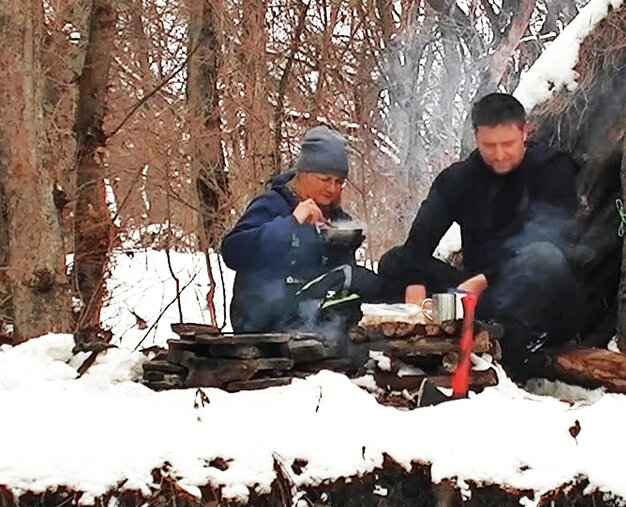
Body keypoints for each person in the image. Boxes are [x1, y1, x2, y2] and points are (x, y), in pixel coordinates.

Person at [380, 93, 583, 376]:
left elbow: (558, 239)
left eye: (508, 144)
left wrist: (487, 277)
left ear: (525, 132)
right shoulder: (459, 179)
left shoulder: (552, 169)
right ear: (476, 137)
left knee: (545, 258)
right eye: (490, 145)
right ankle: (427, 343)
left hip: (536, 295)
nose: (499, 154)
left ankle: (519, 351)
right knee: (394, 261)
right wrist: (415, 281)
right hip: (477, 297)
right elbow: (419, 242)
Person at [222, 126, 382, 335]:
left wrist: (343, 241)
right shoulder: (272, 204)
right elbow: (232, 251)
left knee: (372, 284)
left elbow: (339, 280)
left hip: (316, 325)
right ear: (304, 173)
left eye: (339, 182)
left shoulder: (336, 218)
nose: (332, 189)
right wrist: (292, 223)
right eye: (325, 180)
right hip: (262, 325)